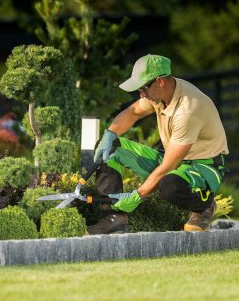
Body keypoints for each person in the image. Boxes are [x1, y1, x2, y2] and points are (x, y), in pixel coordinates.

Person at [87, 54, 229, 234]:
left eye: (143, 88)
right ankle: (115, 217)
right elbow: (133, 113)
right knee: (109, 148)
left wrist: (137, 196)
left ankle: (205, 206)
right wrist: (109, 133)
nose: (141, 94)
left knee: (169, 185)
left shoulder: (188, 110)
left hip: (203, 167)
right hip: (172, 159)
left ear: (160, 81)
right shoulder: (160, 95)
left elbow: (168, 167)